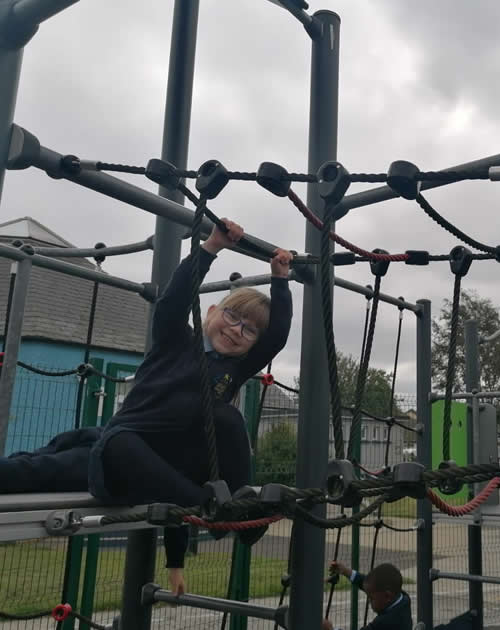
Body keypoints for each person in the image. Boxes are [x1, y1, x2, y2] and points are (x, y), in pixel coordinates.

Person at [0, 219, 293, 596]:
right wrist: (210, 248)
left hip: (170, 472)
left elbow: (278, 337)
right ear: (211, 312)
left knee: (226, 417)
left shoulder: (234, 370)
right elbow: (172, 303)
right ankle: (215, 510)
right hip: (121, 458)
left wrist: (280, 281)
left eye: (249, 330)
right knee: (52, 461)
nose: (237, 330)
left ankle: (238, 507)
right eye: (232, 317)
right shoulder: (177, 341)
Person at [323, 561, 412, 630]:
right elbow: (370, 585)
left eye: (371, 598)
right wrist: (345, 571)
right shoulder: (403, 598)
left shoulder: (385, 622)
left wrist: (331, 629)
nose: (369, 601)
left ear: (387, 596)